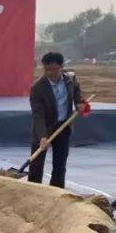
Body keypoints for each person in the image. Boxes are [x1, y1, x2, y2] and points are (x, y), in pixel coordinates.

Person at [28, 52, 83, 188]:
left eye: (53, 69)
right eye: (46, 69)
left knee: (60, 164)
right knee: (36, 163)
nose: (50, 73)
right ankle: (34, 190)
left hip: (64, 126)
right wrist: (42, 136)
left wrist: (79, 102)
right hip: (44, 128)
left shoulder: (70, 80)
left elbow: (76, 90)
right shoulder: (38, 88)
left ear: (61, 66)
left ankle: (57, 191)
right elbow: (38, 115)